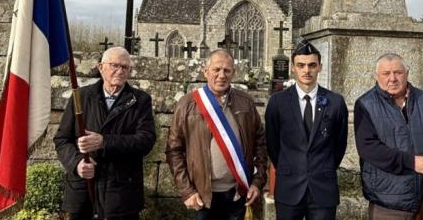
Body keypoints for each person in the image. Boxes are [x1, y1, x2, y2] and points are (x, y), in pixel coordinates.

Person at [354, 53, 423, 220]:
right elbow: (368, 149)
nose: (392, 79)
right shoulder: (365, 104)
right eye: (386, 74)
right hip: (389, 203)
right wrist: (412, 162)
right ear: (376, 76)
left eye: (398, 72)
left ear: (407, 73)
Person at [54, 46, 156, 220]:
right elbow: (62, 139)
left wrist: (104, 141)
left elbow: (145, 140)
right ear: (101, 67)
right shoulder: (81, 97)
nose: (120, 71)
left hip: (121, 194)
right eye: (115, 65)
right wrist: (77, 163)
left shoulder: (140, 100)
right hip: (83, 190)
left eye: (125, 67)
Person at [166, 49, 267, 220]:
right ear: (206, 72)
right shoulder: (187, 104)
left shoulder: (246, 102)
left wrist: (257, 182)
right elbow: (173, 150)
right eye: (216, 69)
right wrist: (186, 191)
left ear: (233, 73)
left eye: (227, 70)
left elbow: (260, 144)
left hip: (238, 194)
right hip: (203, 196)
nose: (222, 75)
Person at [265, 39, 349, 220]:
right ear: (293, 68)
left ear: (320, 67)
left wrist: (323, 167)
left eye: (312, 65)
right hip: (289, 187)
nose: (306, 70)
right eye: (301, 65)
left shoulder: (335, 102)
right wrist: (291, 167)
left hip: (323, 188)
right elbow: (273, 145)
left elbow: (339, 145)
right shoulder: (278, 102)